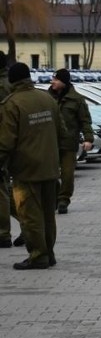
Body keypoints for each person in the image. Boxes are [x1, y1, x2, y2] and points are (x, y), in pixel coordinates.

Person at [0, 63, 67, 269]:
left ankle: (38, 256)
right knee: (48, 215)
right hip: (49, 167)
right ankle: (49, 252)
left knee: (30, 216)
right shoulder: (47, 98)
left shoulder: (11, 104)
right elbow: (62, 132)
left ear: (12, 80)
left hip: (26, 170)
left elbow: (5, 142)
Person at [49, 68, 94, 214]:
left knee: (67, 174)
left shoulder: (77, 100)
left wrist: (88, 139)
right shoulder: (46, 98)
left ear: (63, 82)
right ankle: (54, 197)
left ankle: (63, 200)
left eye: (55, 79)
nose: (52, 82)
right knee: (50, 174)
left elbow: (85, 121)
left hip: (69, 143)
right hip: (49, 143)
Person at [0, 52, 13, 248]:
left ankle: (3, 234)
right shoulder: (10, 81)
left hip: (4, 143)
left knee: (2, 190)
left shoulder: (2, 86)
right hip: (12, 143)